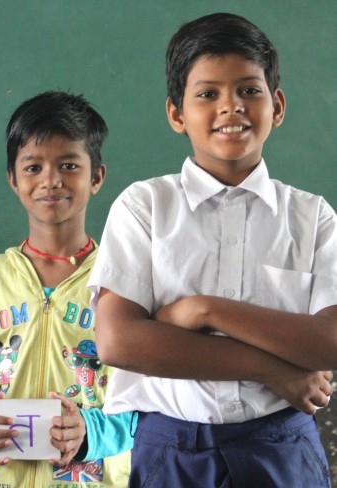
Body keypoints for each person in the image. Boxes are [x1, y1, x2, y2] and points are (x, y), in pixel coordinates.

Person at [88, 12, 337, 488]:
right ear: (177, 114)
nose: (231, 107)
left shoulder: (313, 217)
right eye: (208, 94)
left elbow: (331, 339)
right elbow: (119, 341)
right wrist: (270, 368)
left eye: (249, 90)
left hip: (283, 448)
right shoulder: (145, 207)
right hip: (173, 450)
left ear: (277, 105)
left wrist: (205, 310)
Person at [0, 91, 132, 488]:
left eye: (68, 165)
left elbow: (146, 397)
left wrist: (91, 432)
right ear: (13, 179)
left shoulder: (125, 282)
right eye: (33, 166)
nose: (50, 180)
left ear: (97, 176)